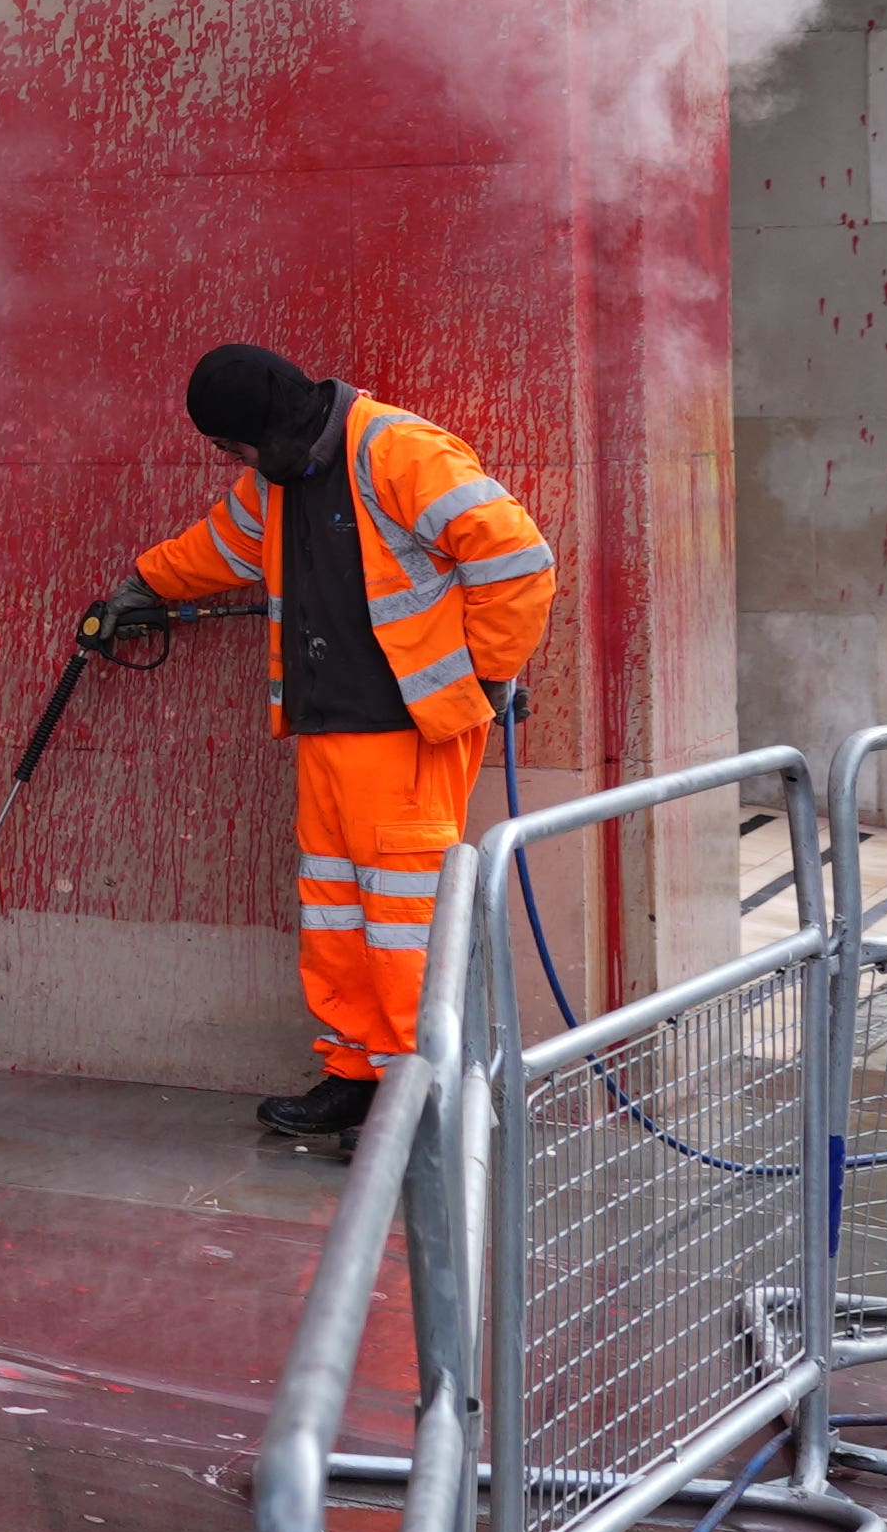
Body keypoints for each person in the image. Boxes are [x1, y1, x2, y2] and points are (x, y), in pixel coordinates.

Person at [98, 343, 556, 1148]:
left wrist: (488, 674)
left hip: (406, 732)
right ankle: (358, 1074)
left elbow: (516, 557)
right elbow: (223, 546)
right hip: (329, 726)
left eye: (233, 449)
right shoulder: (280, 478)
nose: (235, 464)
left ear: (264, 431)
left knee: (406, 921)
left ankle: (430, 1103)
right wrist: (145, 586)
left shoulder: (398, 451)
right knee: (339, 916)